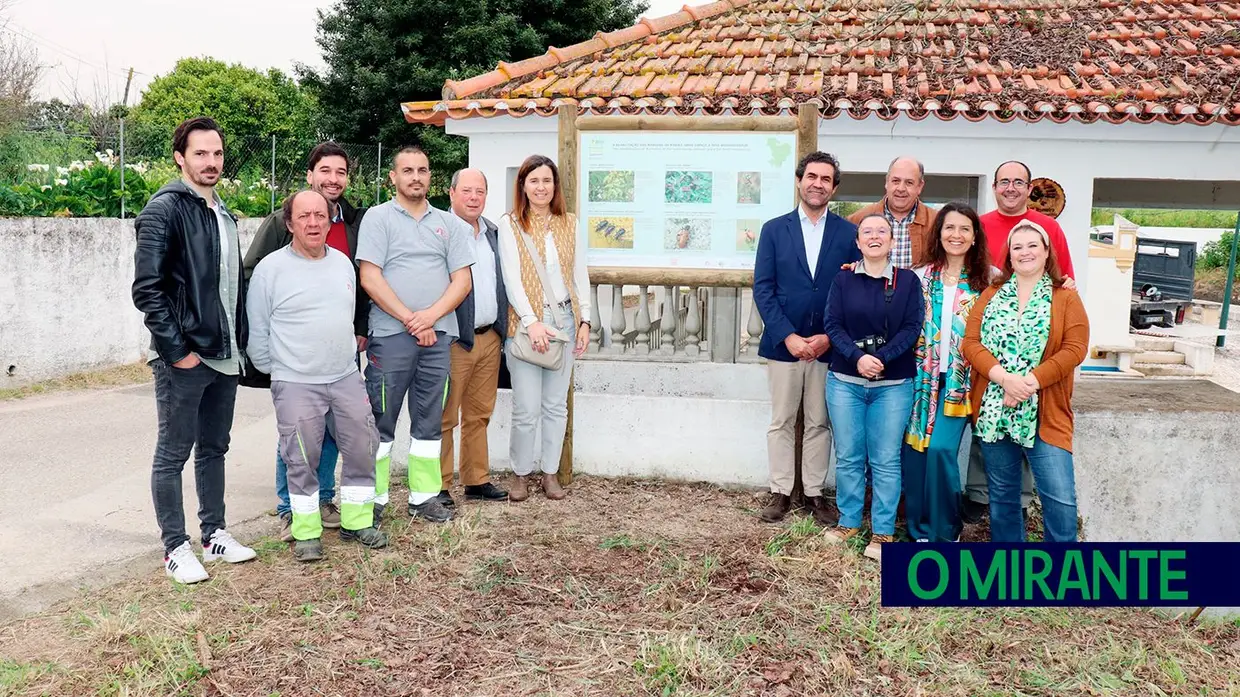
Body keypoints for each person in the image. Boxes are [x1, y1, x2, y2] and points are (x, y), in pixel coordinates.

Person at [132, 116, 255, 584]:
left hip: (224, 356)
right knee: (173, 453)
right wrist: (176, 352)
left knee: (215, 449)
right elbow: (148, 290)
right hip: (185, 358)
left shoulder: (222, 212)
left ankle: (215, 534)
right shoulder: (165, 209)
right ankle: (175, 547)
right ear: (180, 157)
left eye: (217, 153)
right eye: (200, 153)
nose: (211, 162)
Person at [246, 190, 387, 560]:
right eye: (304, 216)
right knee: (301, 456)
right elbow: (257, 329)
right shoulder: (270, 270)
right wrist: (278, 371)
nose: (313, 223)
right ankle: (306, 532)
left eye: (320, 216)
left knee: (362, 445)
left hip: (344, 377)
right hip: (296, 381)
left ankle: (358, 522)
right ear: (289, 223)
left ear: (329, 220)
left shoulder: (342, 263)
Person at [356, 146, 475, 524]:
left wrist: (430, 319)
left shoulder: (449, 224)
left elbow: (462, 281)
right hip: (391, 336)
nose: (416, 177)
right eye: (407, 170)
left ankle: (424, 498)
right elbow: (370, 277)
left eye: (422, 170)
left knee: (429, 419)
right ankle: (372, 499)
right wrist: (411, 319)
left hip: (437, 337)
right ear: (393, 177)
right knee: (380, 418)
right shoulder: (377, 219)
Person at [962, 220, 1089, 543]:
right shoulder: (992, 293)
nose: (1025, 252)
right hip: (995, 411)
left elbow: (1075, 349)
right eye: (1017, 247)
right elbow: (971, 343)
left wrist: (1029, 382)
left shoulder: (1065, 297)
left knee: (1059, 499)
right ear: (1009, 256)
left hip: (1046, 412)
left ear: (1047, 252)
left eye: (1033, 245)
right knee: (1003, 499)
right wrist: (1005, 380)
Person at [752, 152, 860, 526]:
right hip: (784, 346)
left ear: (834, 187)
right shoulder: (774, 229)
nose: (818, 183)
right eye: (811, 176)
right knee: (781, 420)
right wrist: (789, 336)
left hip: (829, 347)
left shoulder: (848, 234)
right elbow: (763, 289)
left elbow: (853, 291)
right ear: (799, 181)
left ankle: (814, 493)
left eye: (826, 179)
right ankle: (780, 491)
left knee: (818, 422)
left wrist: (829, 338)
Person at [822, 214, 924, 561]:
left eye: (883, 231)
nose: (875, 236)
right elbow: (832, 325)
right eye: (868, 231)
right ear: (858, 241)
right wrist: (856, 358)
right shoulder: (843, 279)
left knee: (885, 460)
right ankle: (848, 521)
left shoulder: (908, 281)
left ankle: (882, 532)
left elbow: (912, 327)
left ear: (893, 242)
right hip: (845, 382)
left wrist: (881, 358)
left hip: (893, 384)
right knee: (849, 456)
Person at [497, 155, 591, 502]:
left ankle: (550, 473)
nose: (541, 187)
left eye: (547, 181)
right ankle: (521, 474)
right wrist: (532, 322)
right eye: (534, 180)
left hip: (565, 322)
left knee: (556, 406)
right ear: (523, 185)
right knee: (526, 407)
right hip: (526, 326)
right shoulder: (510, 224)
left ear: (555, 186)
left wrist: (586, 320)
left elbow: (579, 275)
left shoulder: (570, 223)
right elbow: (512, 278)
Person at [901, 203, 993, 543]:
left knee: (940, 449)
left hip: (961, 383)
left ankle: (946, 531)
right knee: (915, 450)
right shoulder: (920, 275)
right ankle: (919, 531)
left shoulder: (989, 280)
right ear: (939, 234)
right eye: (949, 228)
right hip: (921, 377)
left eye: (964, 229)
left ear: (974, 237)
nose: (956, 235)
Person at [438, 169, 510, 507]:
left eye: (479, 191)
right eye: (466, 191)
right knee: (445, 416)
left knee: (479, 413)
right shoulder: (440, 231)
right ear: (451, 193)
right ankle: (437, 485)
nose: (473, 198)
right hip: (455, 339)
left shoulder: (493, 233)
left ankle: (476, 479)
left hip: (489, 337)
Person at [847, 157, 935, 269]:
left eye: (909, 182)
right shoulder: (856, 220)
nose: (901, 188)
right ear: (886, 182)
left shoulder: (936, 223)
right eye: (896, 181)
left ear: (920, 187)